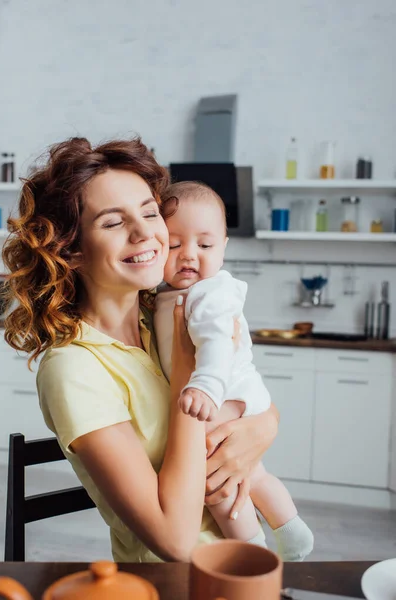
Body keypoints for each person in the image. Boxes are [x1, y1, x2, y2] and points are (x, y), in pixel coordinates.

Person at [1, 136, 279, 563]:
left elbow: (249, 391)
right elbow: (175, 542)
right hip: (173, 582)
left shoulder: (168, 315)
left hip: (243, 564)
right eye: (113, 223)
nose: (144, 232)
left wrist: (263, 428)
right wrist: (189, 371)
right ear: (70, 249)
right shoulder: (74, 368)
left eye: (150, 212)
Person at [154, 181, 314, 561]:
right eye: (175, 245)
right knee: (250, 473)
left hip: (222, 394)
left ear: (223, 247)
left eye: (204, 245)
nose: (189, 255)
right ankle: (288, 531)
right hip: (221, 396)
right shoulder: (165, 293)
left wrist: (206, 386)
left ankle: (251, 553)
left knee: (215, 483)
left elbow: (216, 343)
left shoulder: (210, 293)